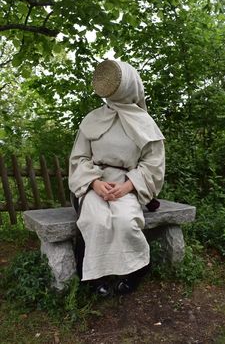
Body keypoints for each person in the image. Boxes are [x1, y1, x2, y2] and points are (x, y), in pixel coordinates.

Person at [68, 60, 165, 297]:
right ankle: (96, 276)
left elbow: (153, 164)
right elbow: (79, 158)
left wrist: (128, 186)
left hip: (128, 183)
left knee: (124, 220)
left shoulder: (145, 123)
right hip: (94, 183)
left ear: (129, 85)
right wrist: (95, 183)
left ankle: (136, 270)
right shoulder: (92, 118)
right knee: (95, 219)